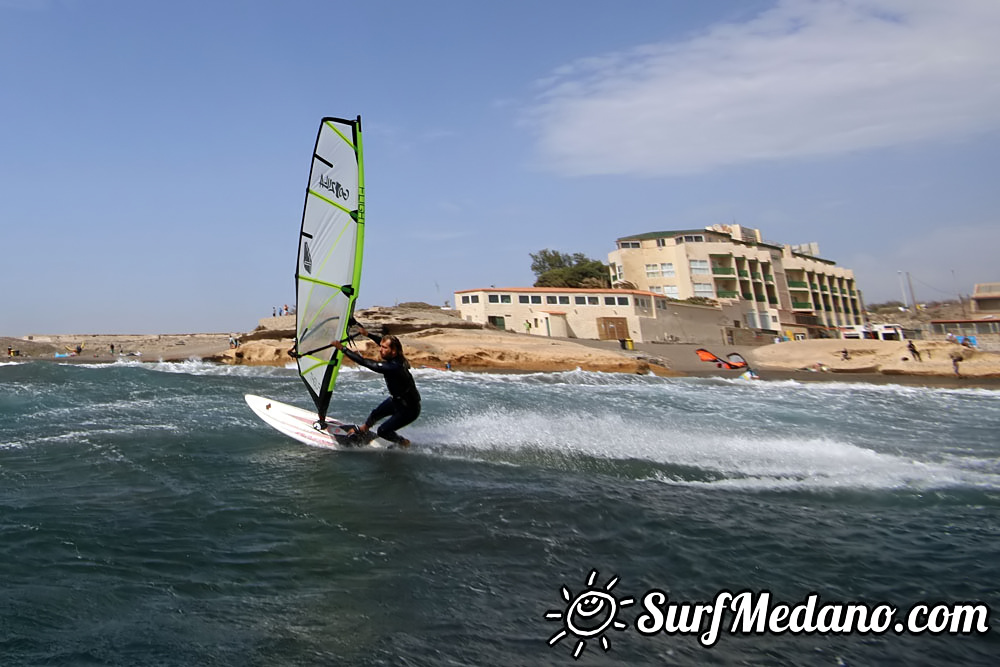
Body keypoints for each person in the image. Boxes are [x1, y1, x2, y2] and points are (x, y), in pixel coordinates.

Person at [331, 320, 420, 447]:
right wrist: (367, 334)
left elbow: (365, 362)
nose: (380, 350)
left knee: (383, 431)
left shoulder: (393, 367)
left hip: (409, 409)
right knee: (375, 414)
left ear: (393, 351)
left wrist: (343, 349)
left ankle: (403, 442)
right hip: (397, 401)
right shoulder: (397, 356)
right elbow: (382, 342)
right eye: (381, 347)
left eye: (384, 348)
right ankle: (363, 430)